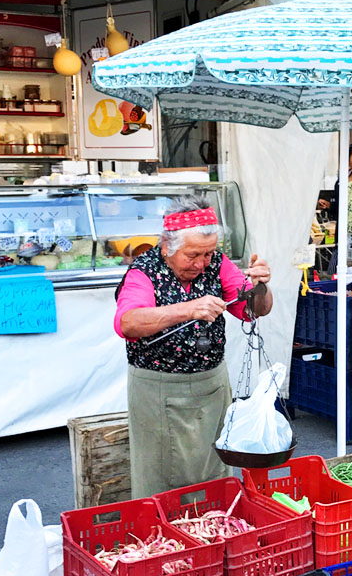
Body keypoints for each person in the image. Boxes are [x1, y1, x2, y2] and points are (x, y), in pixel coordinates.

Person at [114, 194, 273, 498]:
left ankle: (212, 532)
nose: (202, 263)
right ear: (166, 246)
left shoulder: (219, 264)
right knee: (160, 477)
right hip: (159, 391)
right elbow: (128, 322)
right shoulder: (143, 272)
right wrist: (188, 308)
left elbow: (252, 310)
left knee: (215, 470)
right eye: (193, 255)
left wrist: (261, 287)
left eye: (209, 253)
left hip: (212, 386)